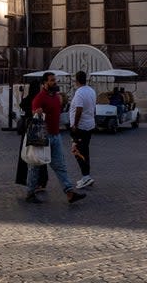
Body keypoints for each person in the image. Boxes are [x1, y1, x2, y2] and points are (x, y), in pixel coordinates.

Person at [25, 72, 85, 204]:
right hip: (43, 138)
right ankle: (30, 193)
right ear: (44, 83)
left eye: (55, 80)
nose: (55, 82)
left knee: (60, 165)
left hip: (56, 136)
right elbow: (33, 113)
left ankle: (69, 192)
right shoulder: (39, 98)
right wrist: (37, 112)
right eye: (52, 81)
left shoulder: (56, 97)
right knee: (35, 165)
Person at [15, 80, 48, 192]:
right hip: (38, 132)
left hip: (28, 132)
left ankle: (29, 182)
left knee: (29, 156)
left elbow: (22, 107)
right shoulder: (38, 100)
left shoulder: (26, 100)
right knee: (39, 157)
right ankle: (40, 182)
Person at [68, 71, 97, 189]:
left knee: (77, 151)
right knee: (84, 151)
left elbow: (79, 109)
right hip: (89, 125)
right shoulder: (91, 91)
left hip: (81, 127)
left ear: (77, 80)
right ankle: (86, 176)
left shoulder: (79, 93)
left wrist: (74, 124)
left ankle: (86, 177)